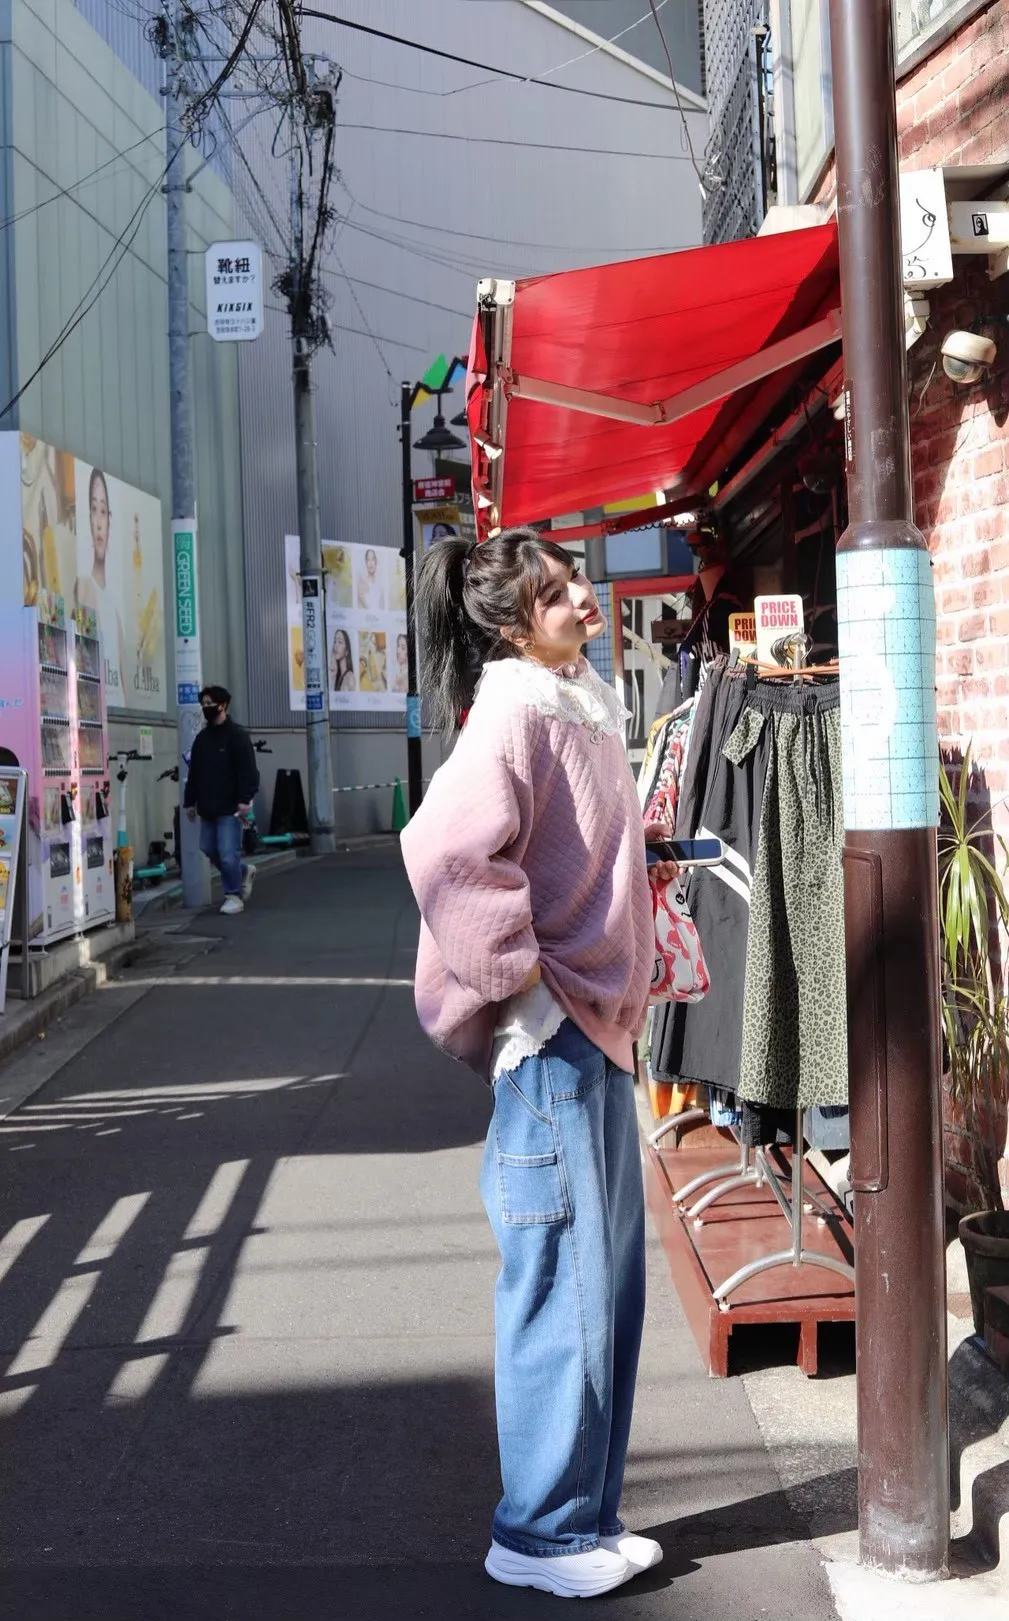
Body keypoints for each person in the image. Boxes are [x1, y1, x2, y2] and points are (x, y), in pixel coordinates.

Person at [400, 529, 677, 1601]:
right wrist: (528, 983)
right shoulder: (516, 707)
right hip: (555, 1032)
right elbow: (443, 851)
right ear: (514, 626)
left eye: (575, 581)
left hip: (590, 1024)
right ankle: (540, 1532)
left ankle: (585, 1518)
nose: (584, 599)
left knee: (602, 1281)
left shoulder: (575, 698)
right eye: (557, 593)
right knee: (562, 1280)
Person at [184, 686, 260, 916]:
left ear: (223, 705)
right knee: (208, 847)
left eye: (210, 703)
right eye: (203, 704)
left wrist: (244, 799)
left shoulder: (237, 736)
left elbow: (248, 771)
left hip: (231, 807)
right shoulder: (202, 740)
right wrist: (190, 802)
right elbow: (194, 773)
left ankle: (233, 895)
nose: (206, 708)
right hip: (208, 806)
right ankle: (242, 871)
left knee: (227, 853)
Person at [356, 546, 385, 611]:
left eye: (372, 559)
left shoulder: (380, 583)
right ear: (366, 562)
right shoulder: (362, 582)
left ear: (376, 561)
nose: (371, 563)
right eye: (368, 560)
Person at [330, 628, 357, 693]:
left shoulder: (350, 677)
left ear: (347, 651)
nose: (336, 645)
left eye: (340, 642)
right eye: (335, 642)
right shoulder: (336, 675)